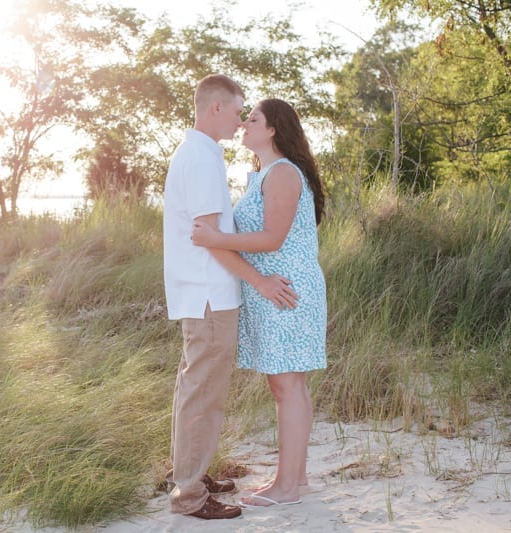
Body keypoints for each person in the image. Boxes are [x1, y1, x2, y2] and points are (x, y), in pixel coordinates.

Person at [163, 77, 299, 520]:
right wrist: (259, 282)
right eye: (239, 110)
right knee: (202, 393)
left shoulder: (201, 154)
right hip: (208, 295)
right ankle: (189, 495)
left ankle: (192, 475)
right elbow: (211, 239)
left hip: (205, 293)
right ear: (216, 108)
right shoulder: (201, 159)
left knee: (197, 389)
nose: (242, 119)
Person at [191, 98, 327, 508]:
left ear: (272, 130)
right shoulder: (263, 174)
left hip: (284, 287)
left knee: (287, 386)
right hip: (274, 287)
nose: (245, 124)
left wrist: (218, 240)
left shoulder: (283, 173)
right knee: (289, 385)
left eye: (253, 119)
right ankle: (295, 481)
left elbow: (272, 238)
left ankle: (286, 487)